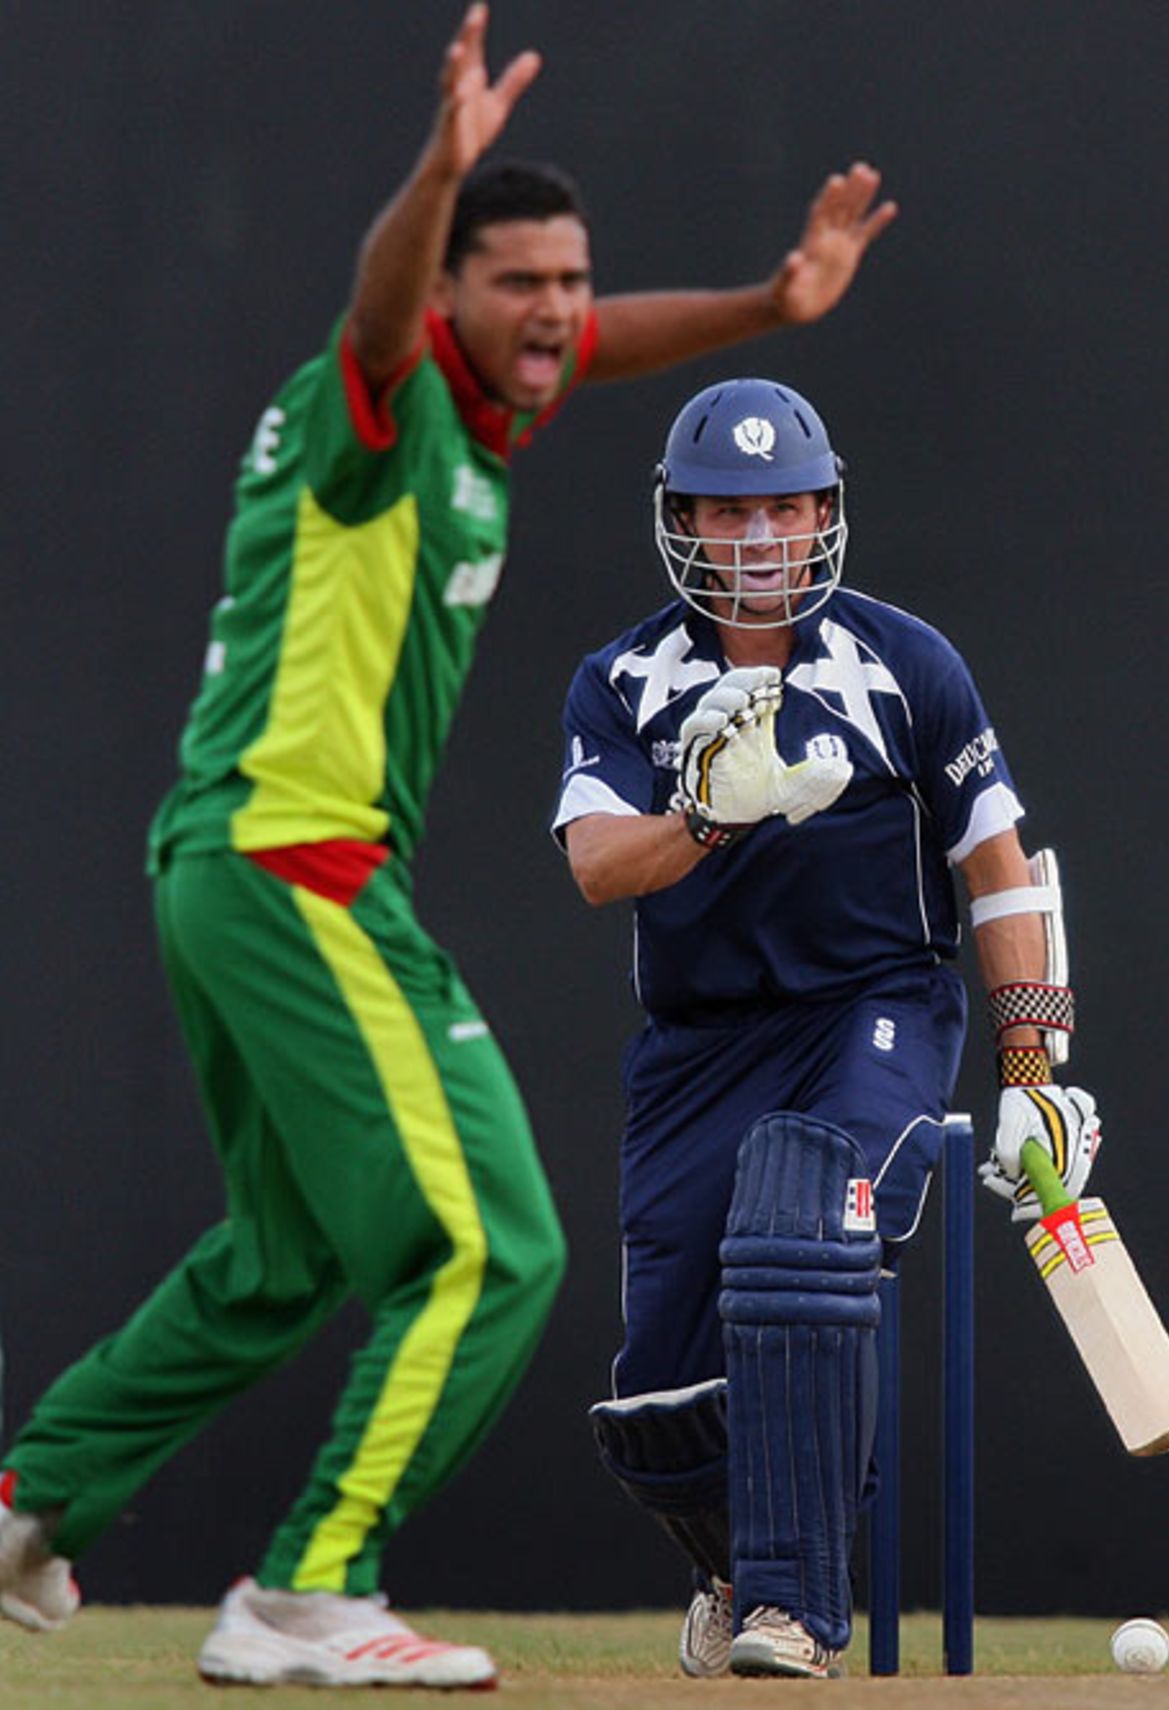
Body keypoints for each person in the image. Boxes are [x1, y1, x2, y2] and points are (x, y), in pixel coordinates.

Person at [0, 5, 900, 1691]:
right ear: (443, 297)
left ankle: (29, 1497)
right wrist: (439, 167)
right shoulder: (380, 405)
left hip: (226, 866)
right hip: (302, 872)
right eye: (521, 280)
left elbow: (585, 341)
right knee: (494, 1242)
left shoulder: (472, 416)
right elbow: (386, 303)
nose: (558, 308)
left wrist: (768, 308)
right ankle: (310, 1588)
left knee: (285, 1256)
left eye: (573, 277)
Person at [553, 376, 1102, 1679]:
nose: (757, 537)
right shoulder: (622, 679)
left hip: (875, 1010)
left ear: (823, 513)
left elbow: (1002, 866)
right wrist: (706, 812)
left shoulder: (904, 661)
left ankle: (796, 1603)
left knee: (801, 1220)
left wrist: (1032, 1069)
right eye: (727, 512)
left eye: (784, 506)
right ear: (681, 518)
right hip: (699, 1046)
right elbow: (593, 865)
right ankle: (730, 1561)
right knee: (662, 1389)